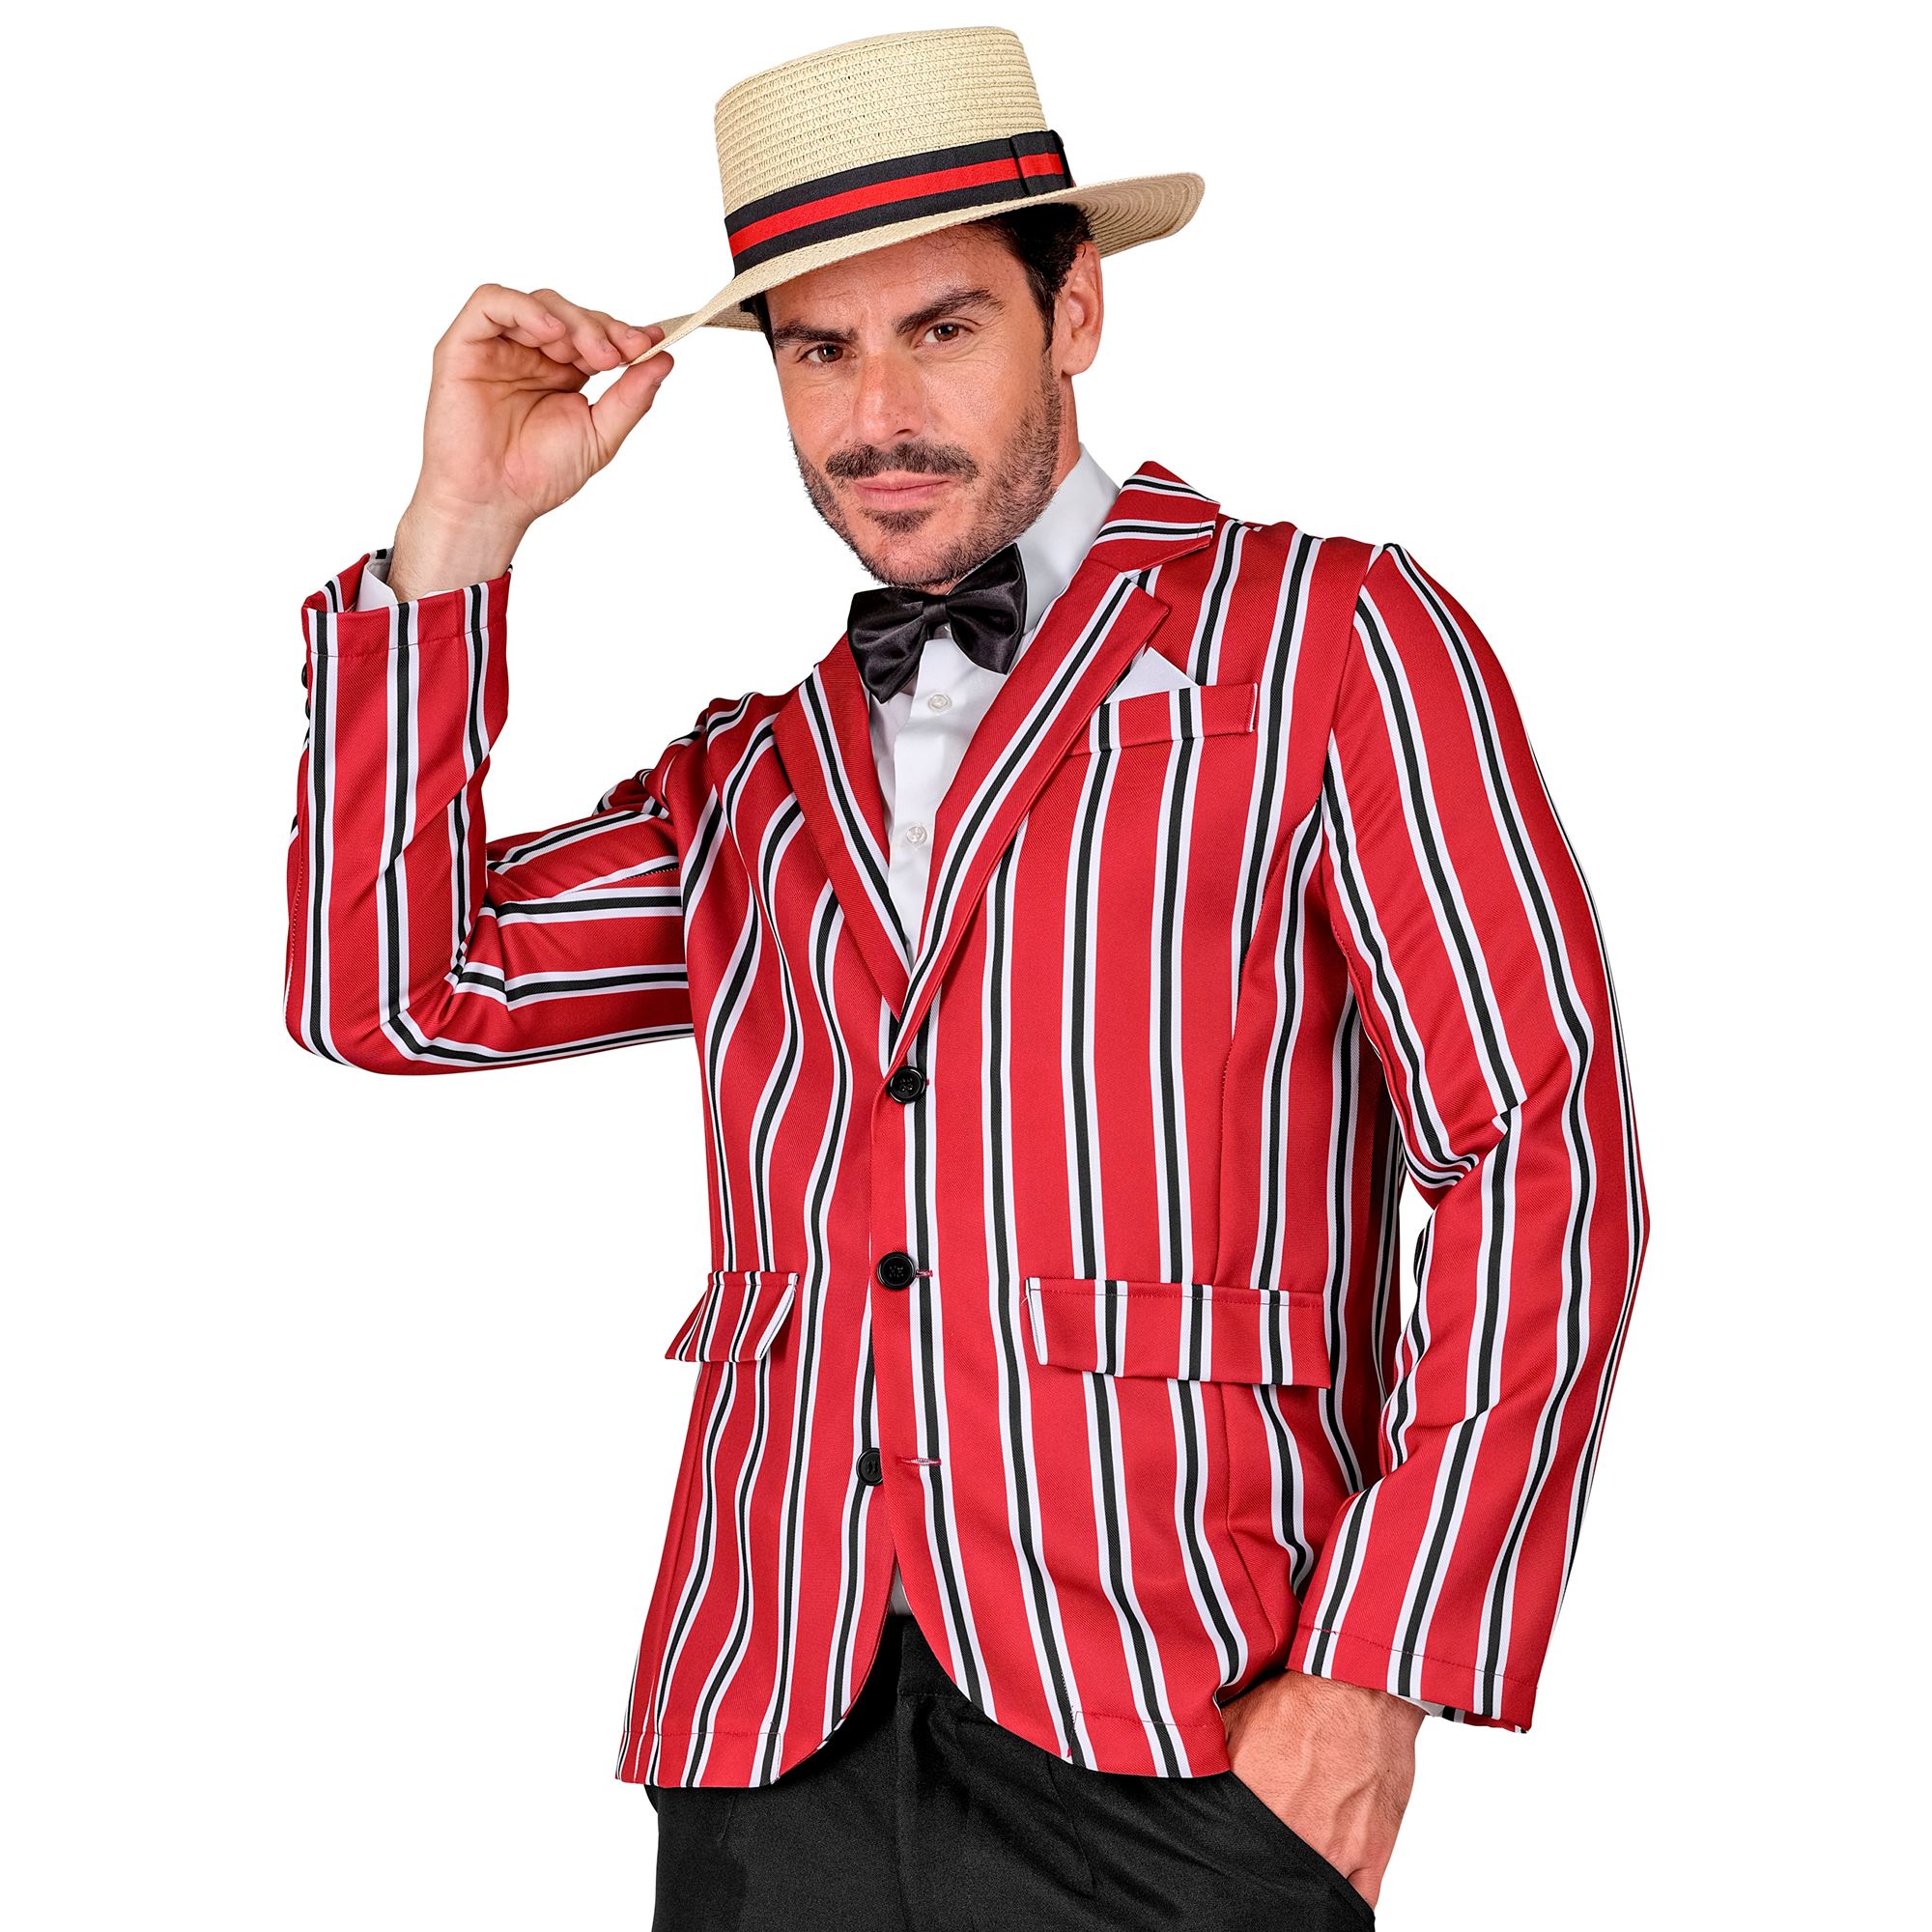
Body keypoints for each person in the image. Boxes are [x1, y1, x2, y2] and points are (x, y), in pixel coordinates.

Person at [284, 23, 1650, 1928]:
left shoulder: (1327, 640)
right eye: (817, 351)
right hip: (769, 1723)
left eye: (941, 329)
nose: (877, 415)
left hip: (1185, 1707)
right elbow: (398, 987)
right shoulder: (754, 770)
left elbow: (1537, 1147)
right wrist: (461, 537)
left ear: (1073, 310)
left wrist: (1383, 1657)